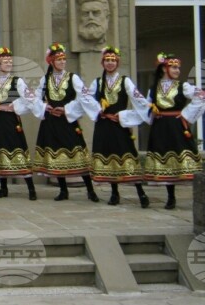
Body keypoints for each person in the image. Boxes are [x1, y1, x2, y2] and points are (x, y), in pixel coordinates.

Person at [81, 46, 151, 207]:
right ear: (102, 63)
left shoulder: (125, 81)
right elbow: (86, 99)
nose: (110, 63)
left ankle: (141, 192)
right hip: (104, 125)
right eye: (107, 60)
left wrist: (125, 115)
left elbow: (139, 100)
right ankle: (114, 193)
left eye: (113, 60)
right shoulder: (97, 82)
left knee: (128, 155)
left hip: (119, 126)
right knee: (109, 156)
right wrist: (98, 109)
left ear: (117, 62)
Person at [33, 43, 99, 202]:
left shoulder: (72, 78)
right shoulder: (45, 80)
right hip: (51, 122)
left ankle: (90, 190)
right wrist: (45, 107)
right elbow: (34, 98)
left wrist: (67, 109)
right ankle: (63, 190)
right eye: (59, 59)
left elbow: (84, 97)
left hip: (67, 121)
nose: (62, 62)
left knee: (78, 153)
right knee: (56, 155)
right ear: (51, 61)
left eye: (64, 59)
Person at [144, 52, 205, 210]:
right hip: (160, 127)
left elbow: (201, 96)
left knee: (184, 157)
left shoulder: (182, 86)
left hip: (177, 126)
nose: (177, 70)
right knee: (166, 159)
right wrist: (152, 112)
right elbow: (146, 106)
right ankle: (171, 197)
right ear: (164, 69)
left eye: (178, 68)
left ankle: (198, 197)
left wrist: (186, 115)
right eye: (174, 67)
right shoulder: (154, 88)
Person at [0, 47, 38, 201]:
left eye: (10, 61)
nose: (9, 63)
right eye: (5, 61)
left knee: (18, 150)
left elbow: (30, 99)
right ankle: (3, 188)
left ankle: (31, 188)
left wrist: (14, 107)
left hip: (10, 122)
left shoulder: (17, 81)